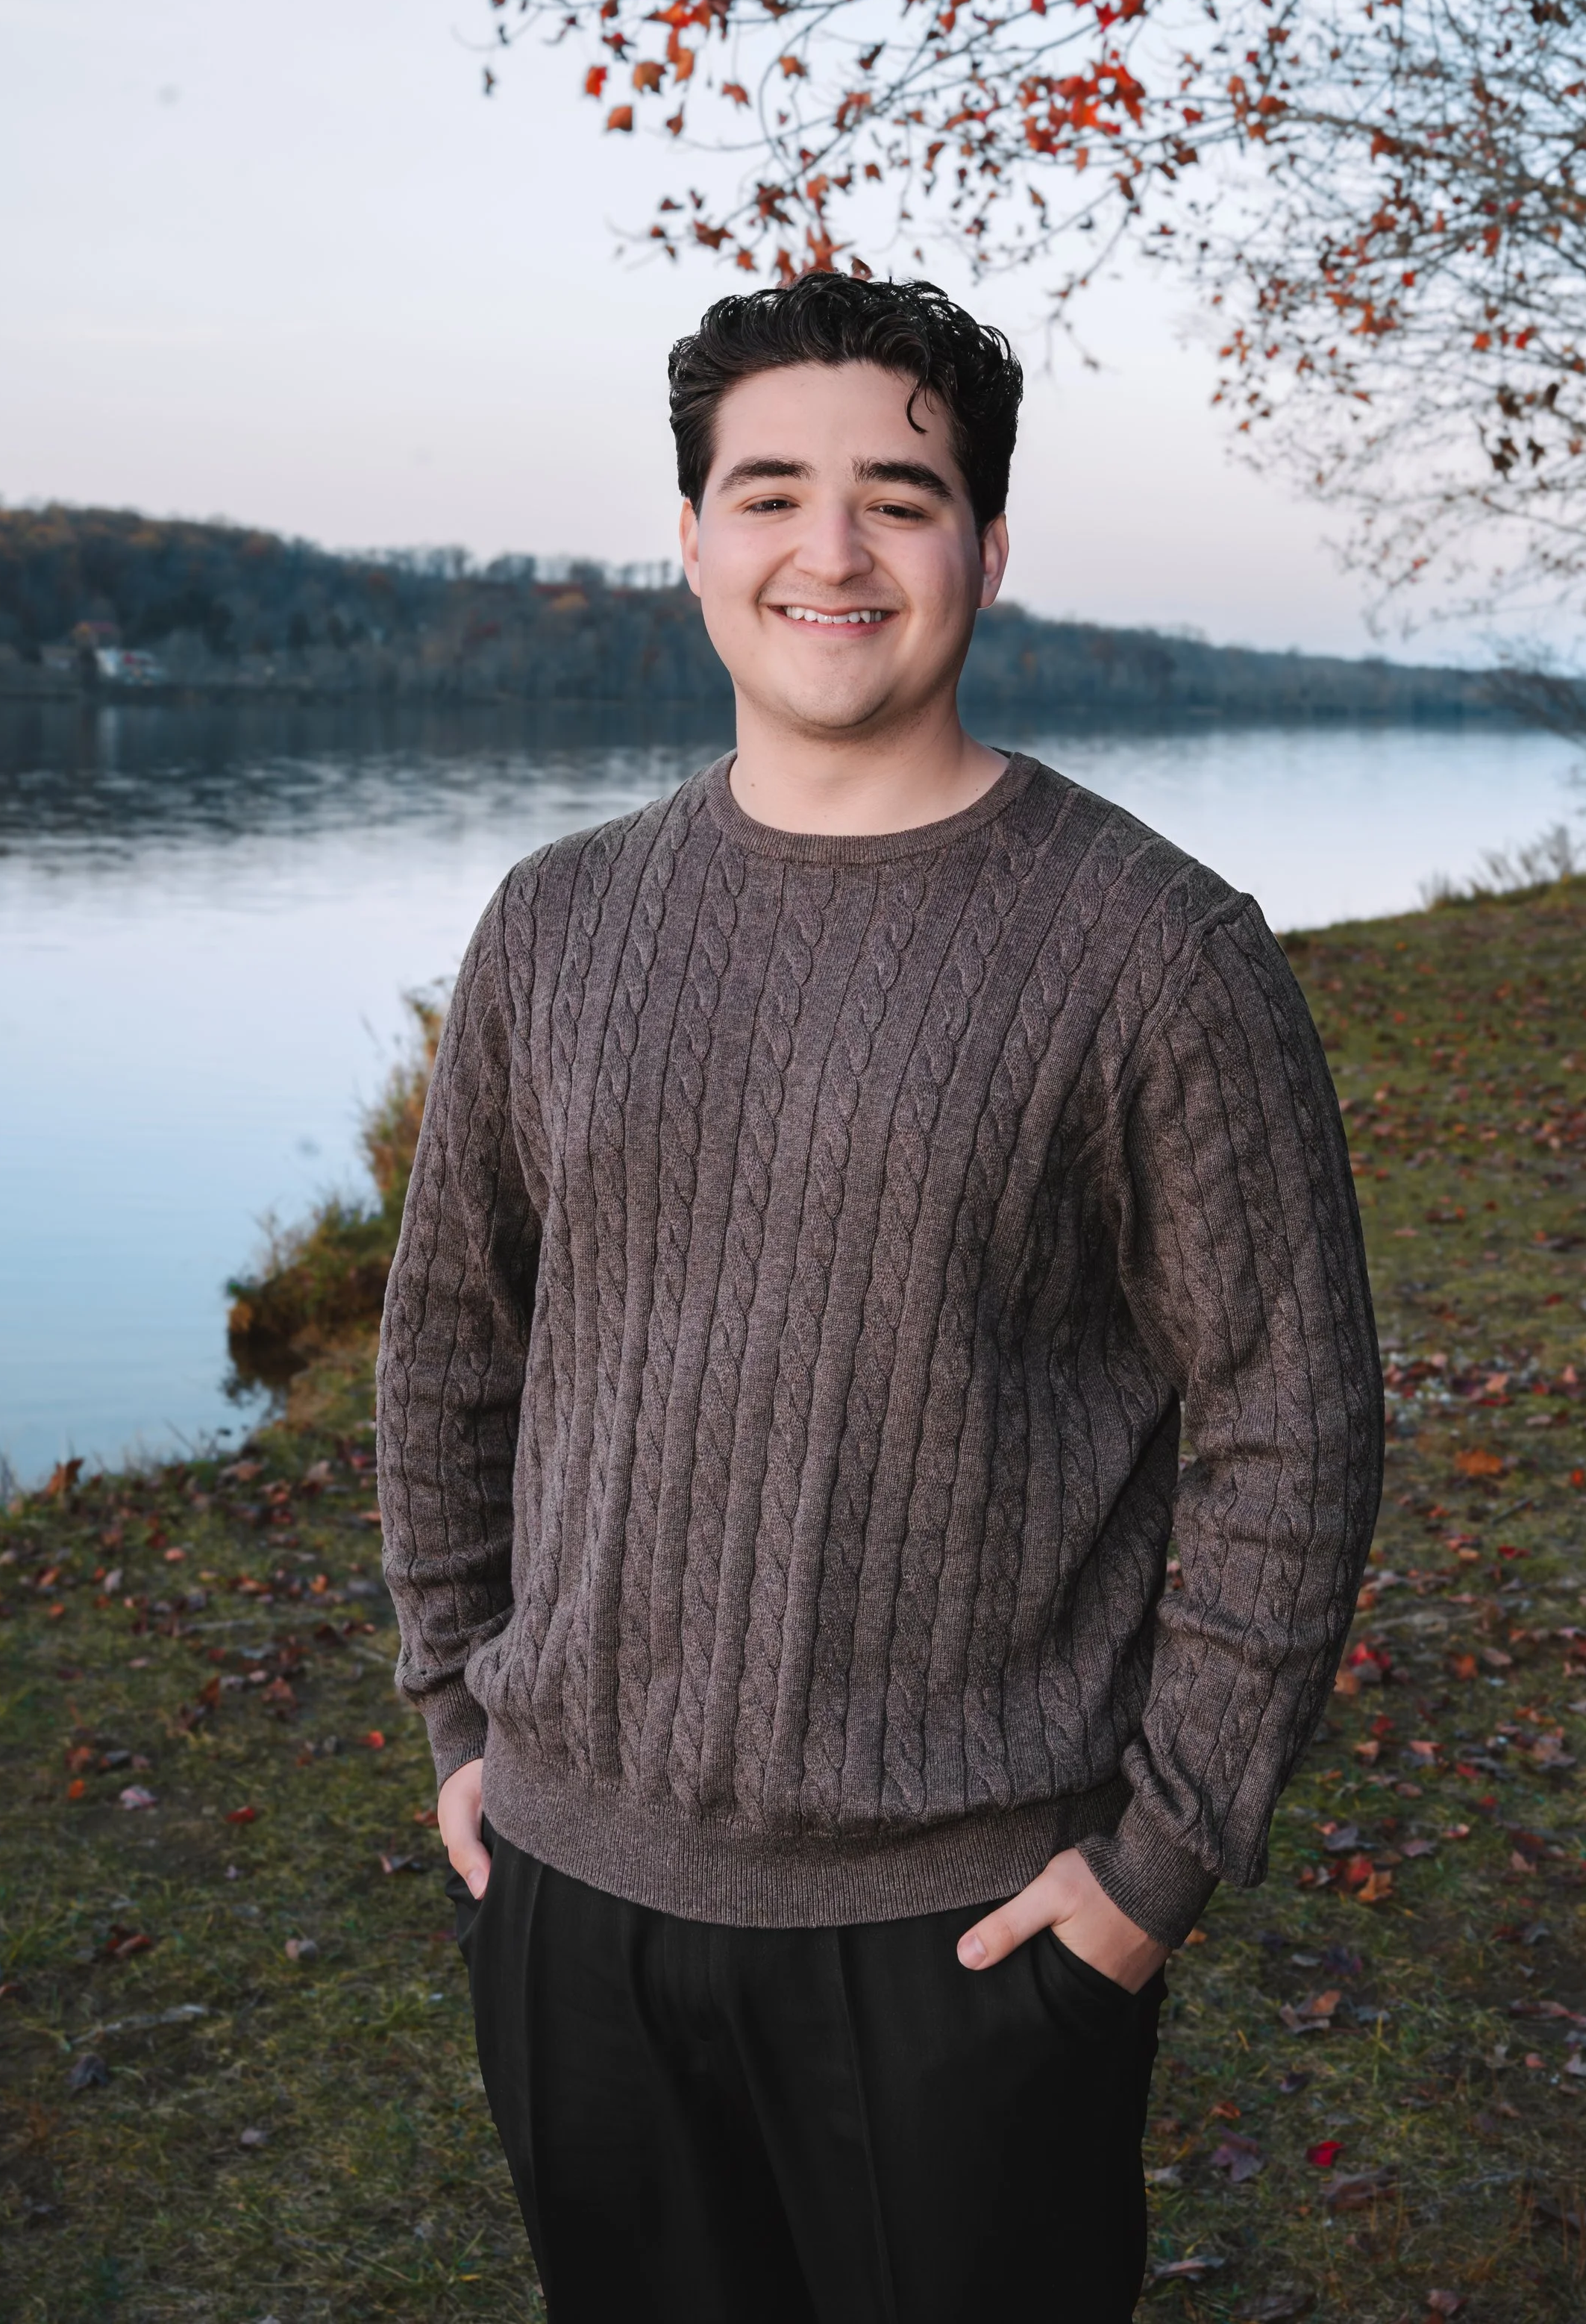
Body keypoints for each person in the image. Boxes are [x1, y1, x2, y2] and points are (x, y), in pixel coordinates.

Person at [376, 272, 1382, 2324]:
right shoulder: (554, 922)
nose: (827, 549)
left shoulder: (1151, 950)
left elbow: (1293, 1417)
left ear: (985, 547)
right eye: (768, 491)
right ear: (689, 541)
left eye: (897, 496)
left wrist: (1154, 1864)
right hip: (569, 1901)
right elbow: (447, 1347)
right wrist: (455, 1711)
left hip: (963, 1938)